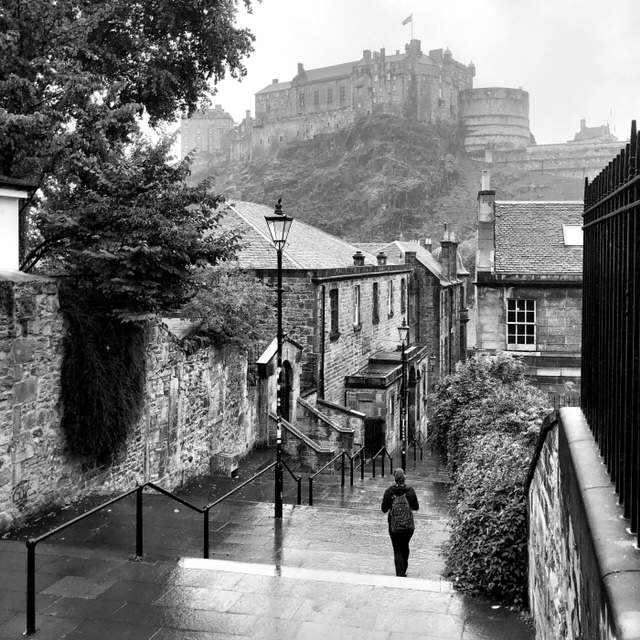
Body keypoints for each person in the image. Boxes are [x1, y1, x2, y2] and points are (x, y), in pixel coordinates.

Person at [381, 467, 419, 577]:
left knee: (397, 548)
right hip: (408, 526)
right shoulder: (410, 491)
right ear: (404, 478)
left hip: (394, 525)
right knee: (405, 545)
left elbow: (383, 509)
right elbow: (416, 507)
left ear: (394, 479)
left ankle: (400, 573)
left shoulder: (389, 492)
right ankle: (404, 568)